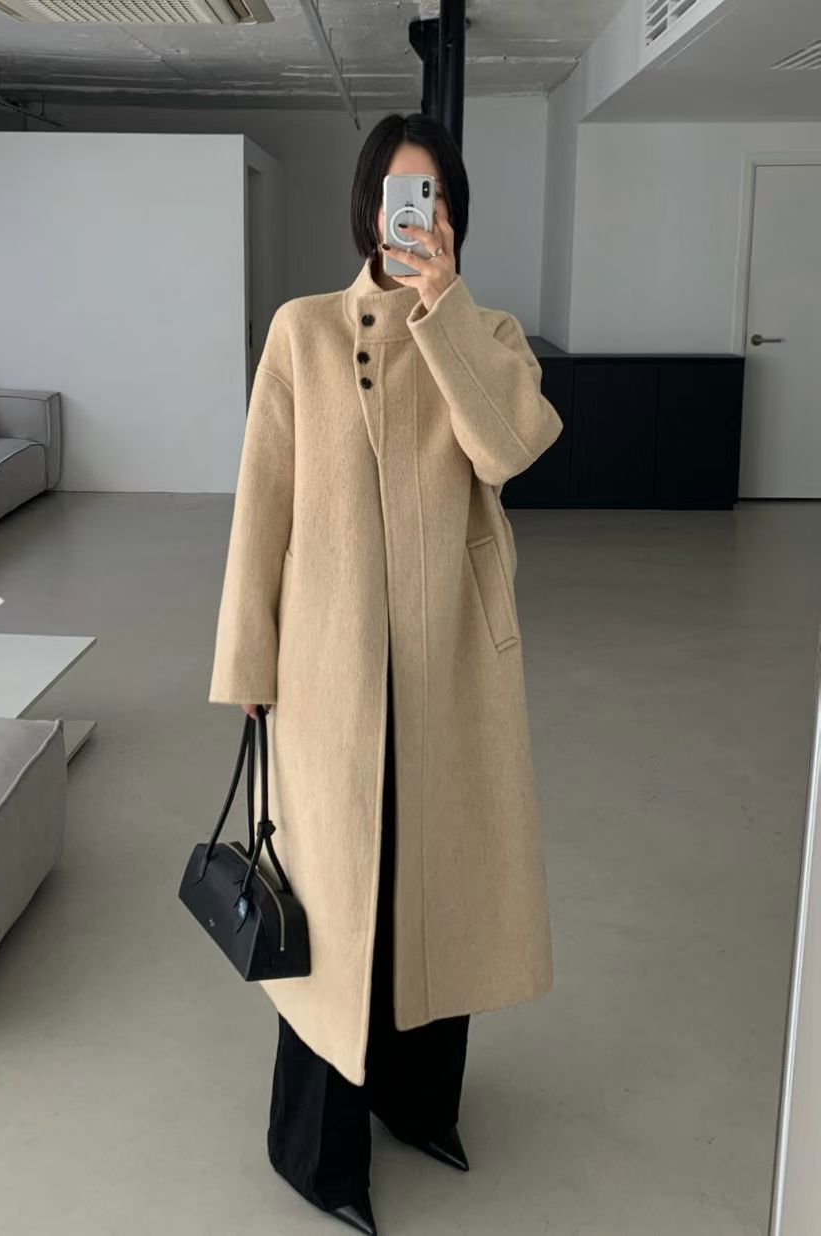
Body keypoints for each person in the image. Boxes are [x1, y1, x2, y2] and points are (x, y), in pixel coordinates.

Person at [208, 112, 563, 1236]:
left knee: (437, 887)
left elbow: (509, 450)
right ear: (367, 208)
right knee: (334, 904)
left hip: (450, 662)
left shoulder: (488, 332)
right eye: (400, 196)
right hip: (328, 670)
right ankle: (316, 1152)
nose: (416, 216)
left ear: (453, 214)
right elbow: (262, 503)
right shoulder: (304, 330)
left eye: (434, 197)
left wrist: (440, 309)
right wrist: (247, 657)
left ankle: (418, 1105)